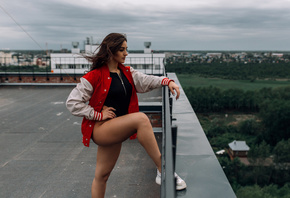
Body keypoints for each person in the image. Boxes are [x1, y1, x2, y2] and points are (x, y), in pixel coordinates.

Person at [66, 33, 186, 198]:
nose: (126, 53)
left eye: (126, 49)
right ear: (111, 51)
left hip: (115, 128)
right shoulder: (94, 76)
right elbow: (72, 103)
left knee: (102, 176)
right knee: (141, 119)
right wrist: (97, 115)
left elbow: (146, 81)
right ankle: (163, 170)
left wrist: (166, 81)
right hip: (101, 129)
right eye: (122, 50)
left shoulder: (127, 73)